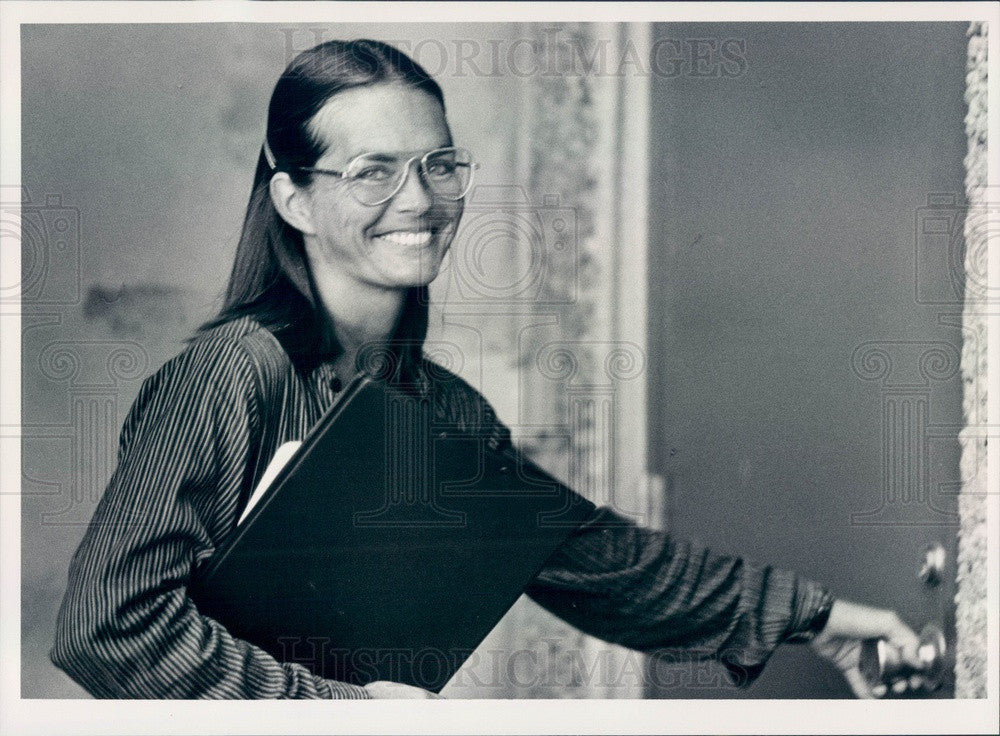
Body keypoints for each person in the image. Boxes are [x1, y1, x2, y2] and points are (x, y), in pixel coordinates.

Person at [51, 38, 923, 700]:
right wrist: (336, 706)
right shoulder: (233, 374)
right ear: (293, 199)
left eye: (440, 165)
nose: (420, 201)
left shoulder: (444, 411)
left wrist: (824, 620)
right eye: (372, 173)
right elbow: (108, 624)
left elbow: (606, 562)